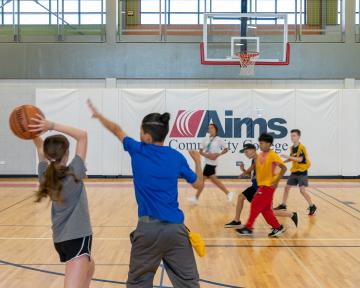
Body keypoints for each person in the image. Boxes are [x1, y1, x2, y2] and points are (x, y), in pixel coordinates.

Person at [87, 100, 203, 288]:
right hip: (175, 230)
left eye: (141, 131)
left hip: (147, 231)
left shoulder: (137, 149)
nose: (138, 134)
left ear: (147, 137)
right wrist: (197, 160)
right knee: (189, 284)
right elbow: (199, 184)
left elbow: (116, 129)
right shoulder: (176, 157)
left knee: (138, 284)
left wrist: (99, 116)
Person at [29, 114, 95, 288]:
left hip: (60, 240)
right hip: (77, 237)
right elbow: (82, 135)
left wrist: (31, 131)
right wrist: (50, 124)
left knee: (89, 267)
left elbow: (39, 147)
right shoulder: (75, 174)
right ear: (66, 153)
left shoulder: (45, 175)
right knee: (84, 268)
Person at [225, 144, 298, 229]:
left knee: (269, 211)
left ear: (253, 150)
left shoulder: (262, 159)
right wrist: (243, 170)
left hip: (262, 189)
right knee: (241, 197)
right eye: (244, 152)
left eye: (246, 151)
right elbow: (251, 174)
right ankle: (236, 221)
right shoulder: (254, 160)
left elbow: (271, 172)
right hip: (254, 187)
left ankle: (292, 215)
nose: (245, 154)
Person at [237, 133, 287, 237]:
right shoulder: (260, 155)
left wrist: (277, 181)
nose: (260, 145)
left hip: (268, 186)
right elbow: (255, 166)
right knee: (266, 210)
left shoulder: (273, 155)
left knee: (255, 204)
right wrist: (245, 171)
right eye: (259, 143)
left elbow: (284, 168)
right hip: (262, 186)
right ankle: (277, 227)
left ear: (268, 144)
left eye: (262, 143)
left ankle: (248, 228)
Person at [187, 124, 234, 205]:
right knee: (212, 180)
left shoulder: (219, 139)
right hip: (207, 162)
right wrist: (207, 155)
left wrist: (217, 154)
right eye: (208, 128)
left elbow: (226, 149)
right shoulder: (205, 139)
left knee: (202, 181)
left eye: (211, 128)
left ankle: (196, 198)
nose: (210, 129)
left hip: (212, 163)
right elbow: (201, 151)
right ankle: (228, 193)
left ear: (215, 129)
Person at [274, 129, 317, 216]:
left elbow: (300, 159)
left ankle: (312, 206)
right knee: (287, 188)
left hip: (302, 172)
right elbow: (291, 158)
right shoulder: (292, 148)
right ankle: (283, 205)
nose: (292, 137)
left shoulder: (302, 148)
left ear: (298, 136)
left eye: (294, 136)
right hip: (294, 171)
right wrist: (282, 162)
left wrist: (287, 156)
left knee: (302, 191)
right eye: (291, 136)